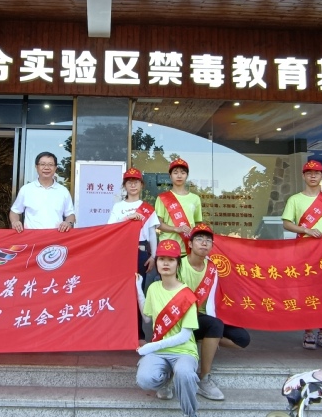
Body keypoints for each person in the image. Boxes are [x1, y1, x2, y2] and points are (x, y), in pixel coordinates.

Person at [177, 223, 250, 401]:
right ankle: (204, 378)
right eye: (199, 239)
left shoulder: (213, 268)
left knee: (242, 339)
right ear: (190, 243)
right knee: (214, 325)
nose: (204, 243)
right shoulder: (178, 264)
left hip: (205, 316)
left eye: (208, 240)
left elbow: (216, 298)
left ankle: (208, 338)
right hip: (180, 318)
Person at [281, 159, 322, 351]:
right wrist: (305, 230)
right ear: (304, 176)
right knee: (306, 290)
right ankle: (308, 331)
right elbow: (287, 223)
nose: (313, 176)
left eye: (316, 173)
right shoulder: (295, 199)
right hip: (304, 250)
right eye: (309, 173)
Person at [135, 239, 201, 417]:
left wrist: (151, 346)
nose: (165, 263)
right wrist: (138, 287)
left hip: (184, 351)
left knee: (184, 373)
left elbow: (184, 336)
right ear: (156, 262)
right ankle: (166, 382)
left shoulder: (187, 295)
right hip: (160, 352)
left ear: (178, 264)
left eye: (171, 260)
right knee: (144, 379)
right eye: (162, 259)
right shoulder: (153, 288)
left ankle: (190, 413)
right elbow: (147, 318)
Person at [107, 167, 160, 344]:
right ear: (124, 186)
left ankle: (138, 334)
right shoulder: (118, 207)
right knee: (122, 292)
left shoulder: (148, 209)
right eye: (129, 182)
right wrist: (128, 218)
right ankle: (120, 332)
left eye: (136, 182)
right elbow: (110, 229)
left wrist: (154, 256)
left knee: (138, 292)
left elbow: (152, 234)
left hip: (141, 252)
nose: (133, 185)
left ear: (141, 185)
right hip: (121, 253)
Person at [9, 152, 75, 232]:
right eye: (42, 164)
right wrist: (15, 222)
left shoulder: (63, 191)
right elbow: (15, 211)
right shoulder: (26, 189)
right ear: (36, 167)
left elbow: (70, 214)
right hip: (32, 236)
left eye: (50, 164)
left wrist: (68, 223)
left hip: (56, 236)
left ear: (55, 168)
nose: (46, 167)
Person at [155, 158, 202, 256]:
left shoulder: (195, 199)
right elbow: (158, 224)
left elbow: (198, 224)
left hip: (188, 248)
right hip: (167, 247)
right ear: (170, 176)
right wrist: (175, 229)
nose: (179, 176)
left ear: (187, 175)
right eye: (175, 172)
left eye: (183, 172)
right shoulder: (162, 198)